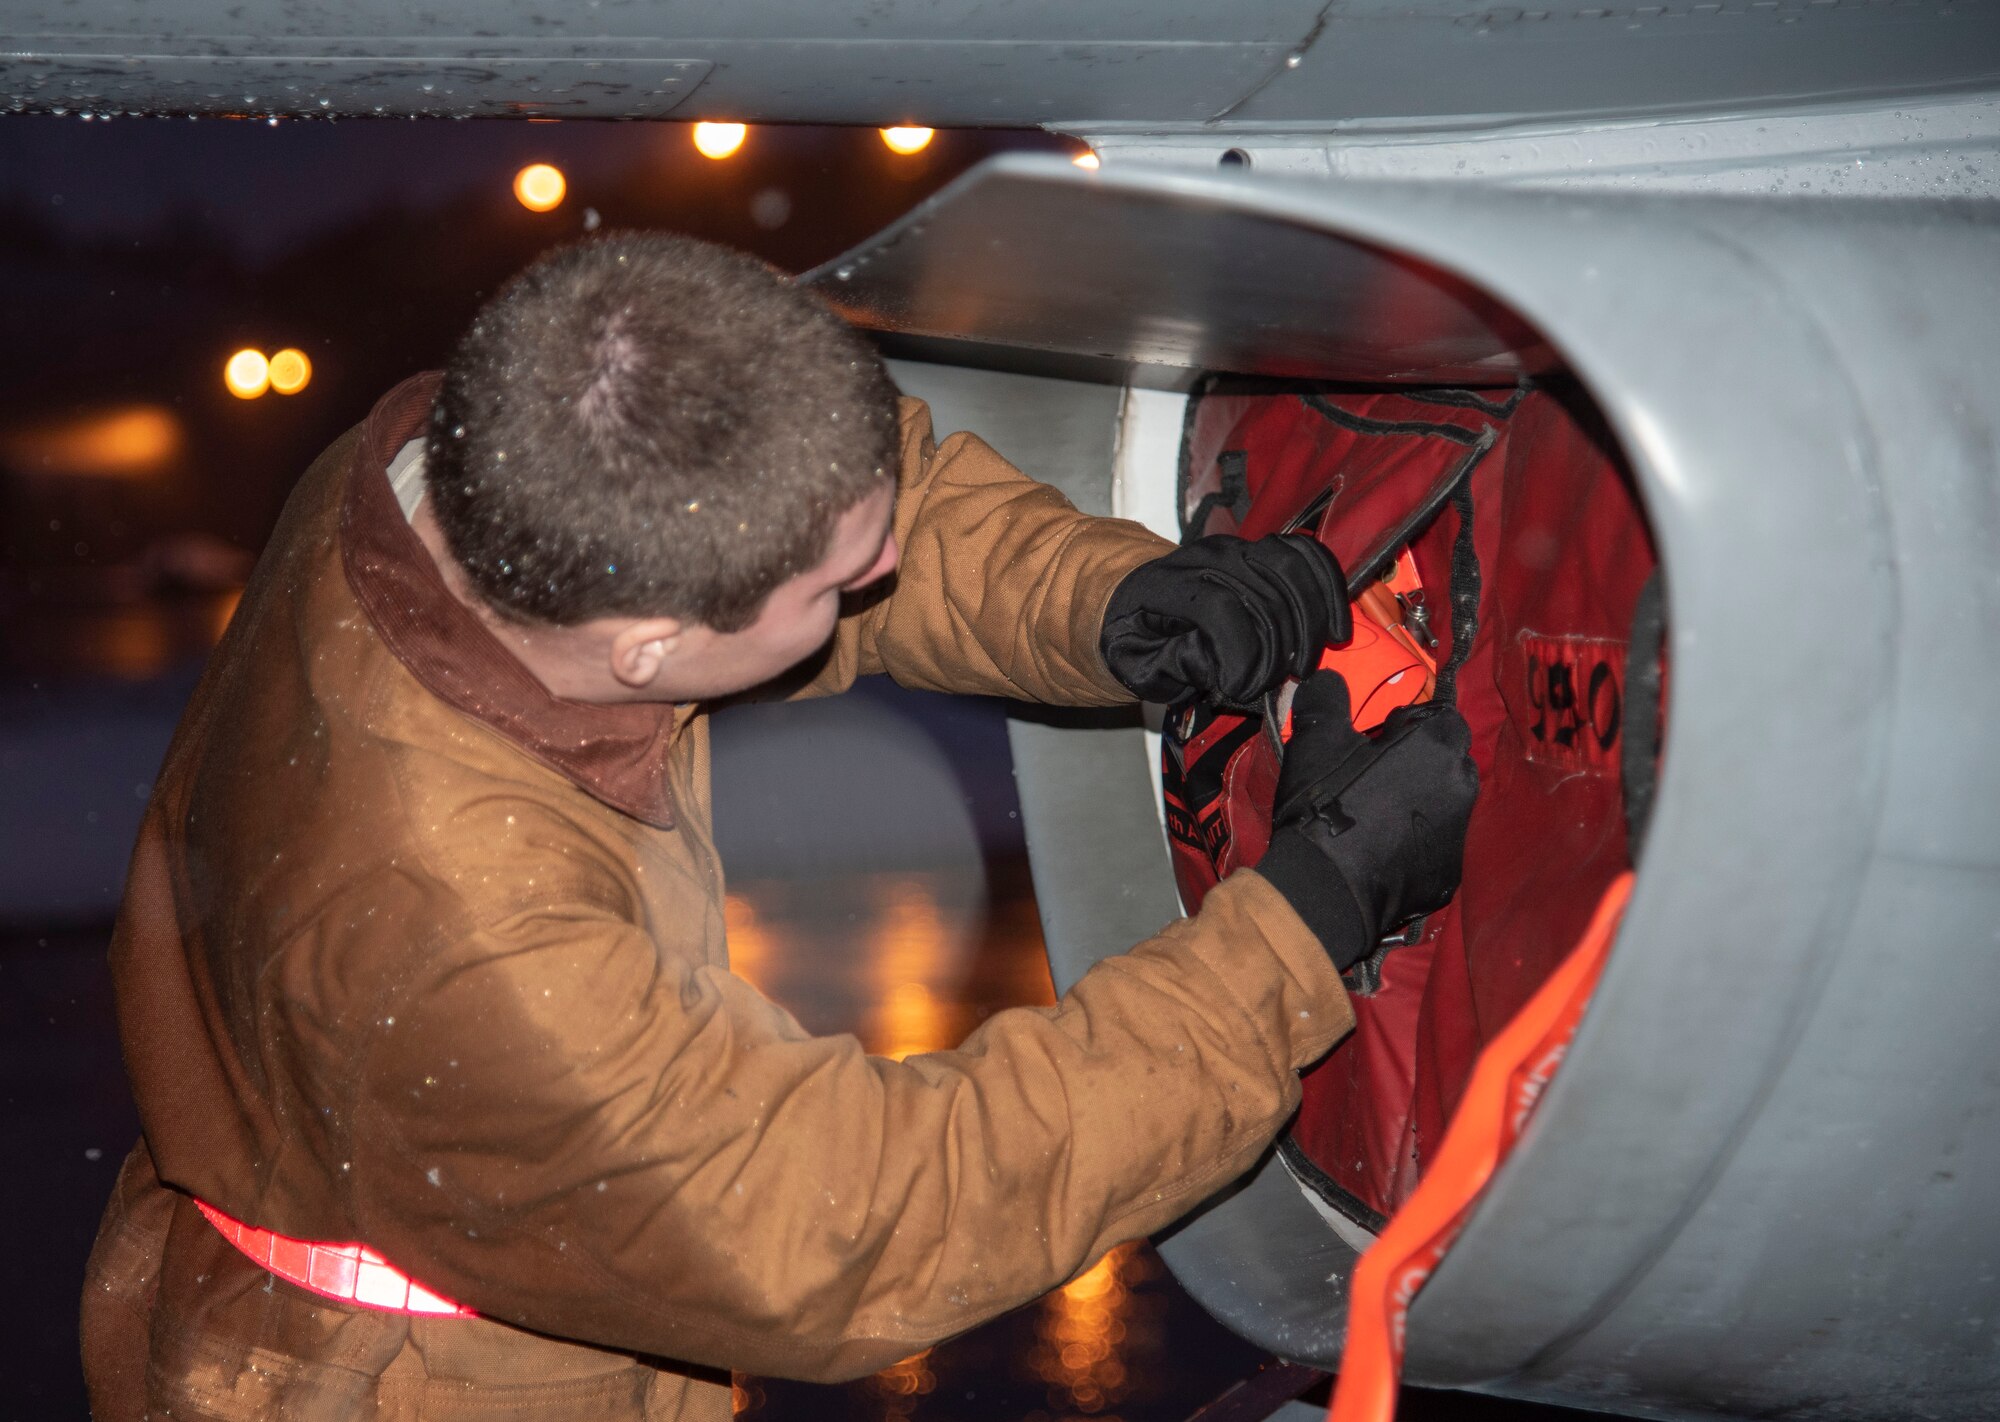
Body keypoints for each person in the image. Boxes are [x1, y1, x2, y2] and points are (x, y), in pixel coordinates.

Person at [81, 234, 1477, 1422]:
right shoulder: (465, 937)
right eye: (839, 585)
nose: (886, 569)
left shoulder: (470, 476)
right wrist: (1302, 923)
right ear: (647, 646)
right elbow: (847, 1222)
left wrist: (1097, 605)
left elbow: (823, 499)